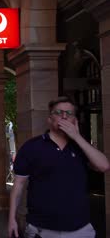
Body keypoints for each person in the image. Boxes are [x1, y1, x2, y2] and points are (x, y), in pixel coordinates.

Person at [8, 96, 110, 238]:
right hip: (42, 228)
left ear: (74, 120)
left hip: (80, 228)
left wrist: (77, 137)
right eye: (58, 112)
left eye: (69, 113)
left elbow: (104, 166)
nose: (64, 116)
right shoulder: (32, 147)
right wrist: (12, 218)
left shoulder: (81, 146)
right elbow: (18, 185)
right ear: (49, 119)